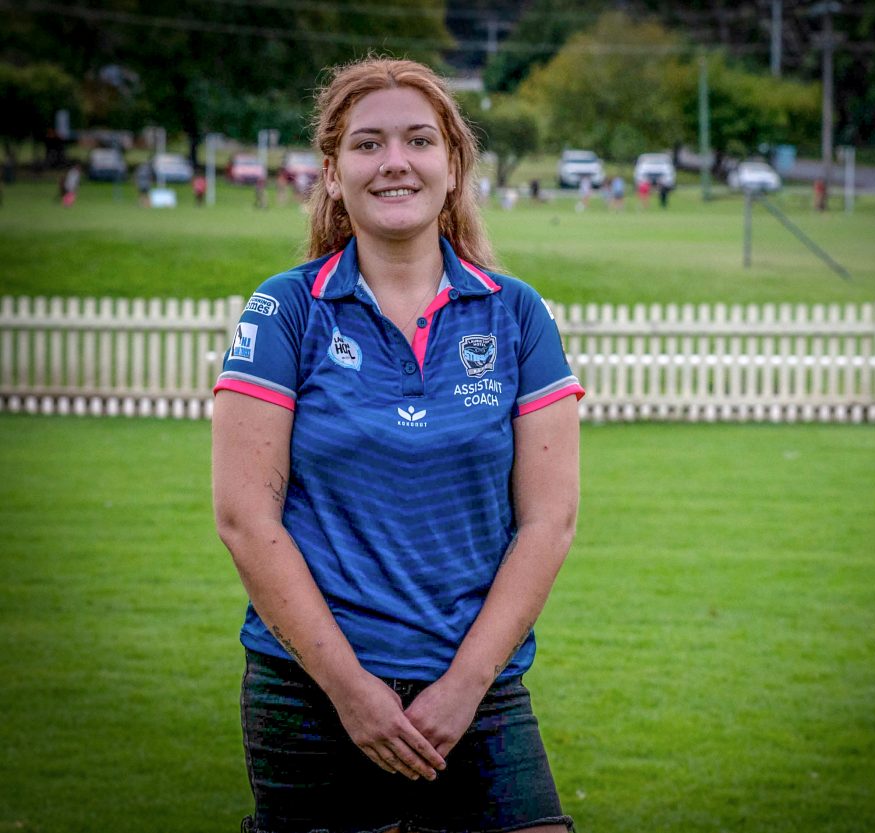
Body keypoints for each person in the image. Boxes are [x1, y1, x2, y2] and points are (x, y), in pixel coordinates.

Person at [212, 55, 584, 833]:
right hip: (309, 690)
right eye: (367, 144)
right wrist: (351, 689)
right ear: (331, 172)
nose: (394, 162)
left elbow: (549, 521)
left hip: (478, 692)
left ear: (453, 167)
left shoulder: (517, 314)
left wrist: (464, 686)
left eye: (418, 140)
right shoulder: (284, 311)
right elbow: (246, 518)